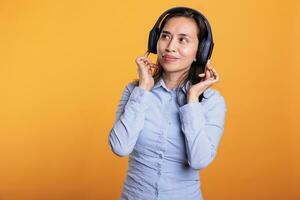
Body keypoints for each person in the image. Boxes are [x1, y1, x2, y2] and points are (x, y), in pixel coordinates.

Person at [108, 6, 227, 200]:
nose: (170, 46)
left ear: (201, 51)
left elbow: (199, 160)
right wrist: (144, 89)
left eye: (183, 39)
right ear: (155, 41)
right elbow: (120, 147)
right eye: (165, 36)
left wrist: (192, 101)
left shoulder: (212, 103)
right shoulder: (135, 91)